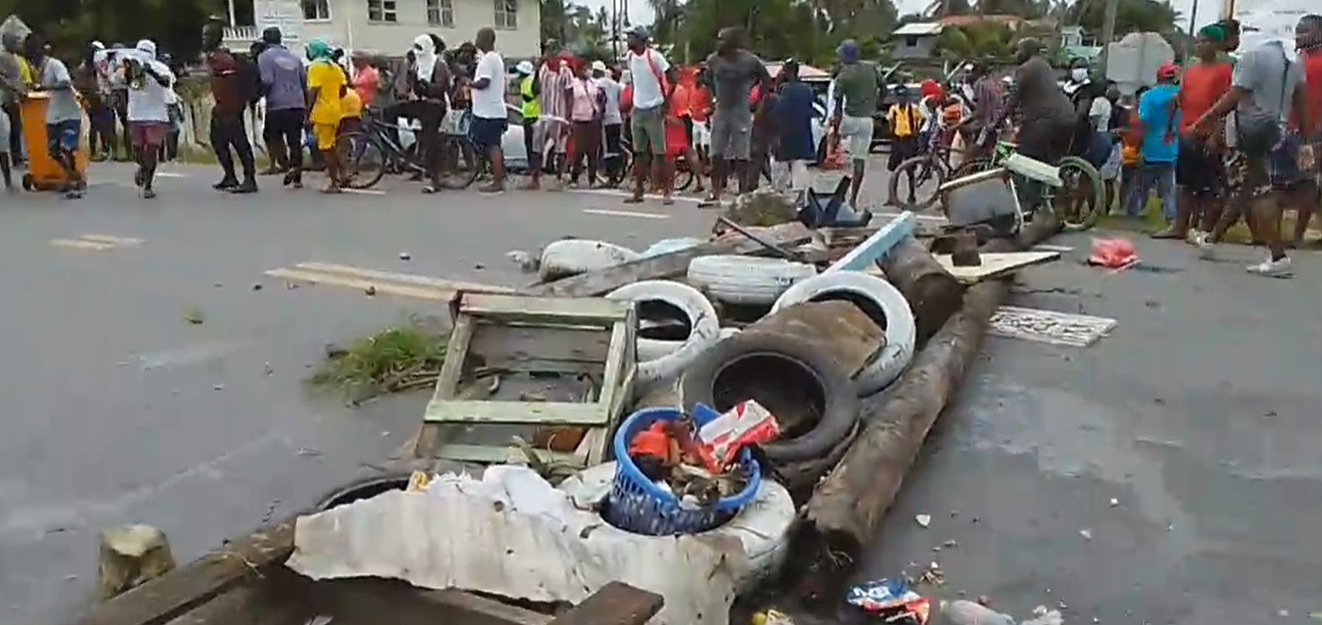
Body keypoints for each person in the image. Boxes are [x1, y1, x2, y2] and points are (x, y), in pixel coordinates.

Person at [1189, 16, 1314, 277]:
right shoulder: (1293, 59)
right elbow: (1301, 102)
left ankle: (1278, 256)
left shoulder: (1253, 57)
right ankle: (1212, 240)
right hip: (1277, 130)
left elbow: (1234, 97)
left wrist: (1203, 121)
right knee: (1247, 187)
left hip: (1250, 128)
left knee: (1259, 190)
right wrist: (1305, 140)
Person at [1168, 24, 1233, 242]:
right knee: (1184, 183)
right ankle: (1180, 225)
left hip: (1208, 134)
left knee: (1210, 186)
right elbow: (1183, 97)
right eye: (1197, 41)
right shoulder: (1192, 70)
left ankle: (1205, 229)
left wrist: (1217, 135)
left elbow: (1225, 105)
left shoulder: (1224, 71)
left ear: (1216, 44)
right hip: (1187, 131)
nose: (1199, 45)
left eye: (1204, 41)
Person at [999, 37, 1077, 210]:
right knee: (1046, 162)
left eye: (1019, 50)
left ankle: (1026, 204)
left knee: (1021, 160)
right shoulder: (1046, 66)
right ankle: (1051, 199)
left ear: (1027, 51)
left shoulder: (1025, 69)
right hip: (1068, 117)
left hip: (1046, 119)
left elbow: (1013, 98)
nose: (1017, 54)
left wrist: (997, 121)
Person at [700, 26, 770, 206]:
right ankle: (715, 193)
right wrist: (712, 100)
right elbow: (706, 80)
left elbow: (767, 79)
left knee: (742, 155)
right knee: (716, 153)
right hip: (721, 110)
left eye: (722, 39)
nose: (718, 43)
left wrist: (761, 103)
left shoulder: (749, 60)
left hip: (741, 111)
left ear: (731, 43)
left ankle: (743, 193)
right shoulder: (713, 60)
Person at [623, 26, 678, 204]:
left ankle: (667, 191)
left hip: (654, 108)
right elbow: (635, 81)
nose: (628, 41)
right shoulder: (629, 58)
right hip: (638, 109)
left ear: (640, 40)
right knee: (639, 153)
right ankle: (639, 191)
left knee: (660, 153)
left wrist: (666, 102)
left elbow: (672, 79)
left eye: (631, 37)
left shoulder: (654, 57)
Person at [202, 21, 258, 193]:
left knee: (240, 143)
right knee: (218, 142)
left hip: (230, 108)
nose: (203, 39)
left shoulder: (223, 60)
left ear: (217, 38)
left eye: (207, 35)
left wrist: (231, 107)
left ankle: (250, 179)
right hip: (221, 108)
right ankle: (230, 176)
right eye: (203, 35)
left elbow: (230, 85)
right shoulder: (214, 57)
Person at [27, 36, 84, 198]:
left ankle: (68, 181)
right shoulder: (38, 69)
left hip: (69, 113)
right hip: (53, 114)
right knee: (53, 151)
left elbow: (66, 83)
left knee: (66, 148)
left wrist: (46, 86)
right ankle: (74, 175)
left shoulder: (55, 65)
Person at [1127, 62, 1180, 227]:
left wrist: (1138, 144)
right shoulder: (1181, 95)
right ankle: (1171, 217)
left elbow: (1143, 121)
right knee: (1169, 187)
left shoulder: (1148, 96)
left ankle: (1134, 213)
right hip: (1172, 146)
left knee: (1139, 184)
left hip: (1149, 146)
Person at [121, 39, 174, 198]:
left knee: (151, 149)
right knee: (137, 150)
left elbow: (166, 83)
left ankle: (148, 186)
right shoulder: (130, 68)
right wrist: (130, 70)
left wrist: (151, 71)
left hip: (156, 115)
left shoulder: (161, 68)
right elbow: (124, 82)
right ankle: (143, 168)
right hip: (136, 114)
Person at [831, 39, 880, 208]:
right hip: (867, 120)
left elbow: (837, 108)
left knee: (830, 133)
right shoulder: (871, 68)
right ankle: (853, 200)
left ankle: (835, 152)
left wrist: (835, 132)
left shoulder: (843, 76)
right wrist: (874, 103)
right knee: (859, 161)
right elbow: (885, 88)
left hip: (850, 118)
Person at [257, 27, 307, 188]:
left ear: (265, 40)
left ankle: (284, 164)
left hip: (277, 105)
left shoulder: (264, 57)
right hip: (297, 103)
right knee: (295, 140)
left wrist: (257, 96)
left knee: (271, 136)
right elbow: (304, 82)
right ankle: (297, 174)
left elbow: (267, 81)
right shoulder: (294, 57)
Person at [1288, 14, 1322, 246]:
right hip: (1290, 127)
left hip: (1314, 130)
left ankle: (1298, 235)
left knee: (1307, 181)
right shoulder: (1295, 59)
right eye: (1297, 30)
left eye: (1305, 31)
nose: (1298, 35)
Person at [405, 34, 453, 194]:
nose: (417, 51)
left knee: (432, 143)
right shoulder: (417, 66)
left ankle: (435, 180)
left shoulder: (439, 65)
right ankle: (419, 169)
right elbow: (414, 87)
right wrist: (415, 83)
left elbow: (440, 88)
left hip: (436, 106)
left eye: (420, 48)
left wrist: (425, 85)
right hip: (422, 104)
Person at [524, 49, 572, 190]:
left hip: (559, 114)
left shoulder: (565, 71)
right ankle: (535, 179)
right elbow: (535, 90)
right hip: (544, 114)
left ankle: (559, 179)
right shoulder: (543, 69)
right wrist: (537, 70)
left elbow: (570, 95)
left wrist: (568, 119)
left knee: (560, 148)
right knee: (536, 146)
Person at [305, 39, 347, 193]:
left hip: (323, 112)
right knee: (333, 146)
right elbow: (343, 90)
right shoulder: (335, 67)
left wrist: (307, 112)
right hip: (337, 110)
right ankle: (343, 175)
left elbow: (313, 92)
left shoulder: (315, 68)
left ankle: (334, 183)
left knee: (326, 148)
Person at [468, 27, 506, 194]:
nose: (476, 40)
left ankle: (497, 181)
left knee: (493, 146)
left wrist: (469, 83)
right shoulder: (492, 58)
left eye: (478, 36)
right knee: (490, 145)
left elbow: (484, 82)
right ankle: (498, 176)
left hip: (489, 112)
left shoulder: (489, 59)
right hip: (488, 110)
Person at [773, 60, 816, 198]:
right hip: (802, 131)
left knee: (780, 166)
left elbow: (778, 109)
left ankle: (778, 195)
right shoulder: (807, 89)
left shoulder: (784, 89)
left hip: (785, 132)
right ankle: (801, 197)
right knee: (799, 166)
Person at [957, 61, 1005, 163]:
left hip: (986, 125)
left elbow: (979, 111)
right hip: (997, 123)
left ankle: (962, 172)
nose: (968, 75)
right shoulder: (996, 83)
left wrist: (959, 124)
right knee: (986, 151)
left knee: (969, 156)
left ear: (976, 73)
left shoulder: (980, 84)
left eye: (970, 72)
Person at [566, 59, 603, 187]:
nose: (588, 71)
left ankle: (592, 180)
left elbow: (600, 98)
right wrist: (568, 120)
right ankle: (575, 178)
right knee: (579, 151)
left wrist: (599, 109)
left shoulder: (594, 83)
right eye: (585, 68)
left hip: (593, 120)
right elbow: (569, 102)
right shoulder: (573, 84)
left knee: (593, 151)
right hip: (579, 120)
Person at [0, 31, 25, 189]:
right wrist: (14, 89)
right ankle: (16, 158)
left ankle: (9, 177)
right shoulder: (3, 57)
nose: (17, 45)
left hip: (14, 96)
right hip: (8, 98)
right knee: (14, 128)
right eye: (14, 42)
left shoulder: (15, 58)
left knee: (15, 128)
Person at [593, 61, 625, 185]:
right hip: (616, 118)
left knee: (607, 150)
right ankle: (615, 176)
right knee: (615, 148)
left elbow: (599, 100)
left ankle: (610, 177)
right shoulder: (617, 86)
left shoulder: (598, 84)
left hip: (606, 119)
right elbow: (619, 102)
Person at [515, 60, 538, 176]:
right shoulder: (533, 80)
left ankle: (532, 168)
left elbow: (528, 98)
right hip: (533, 115)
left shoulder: (526, 82)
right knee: (533, 145)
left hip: (531, 116)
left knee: (530, 145)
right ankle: (533, 168)